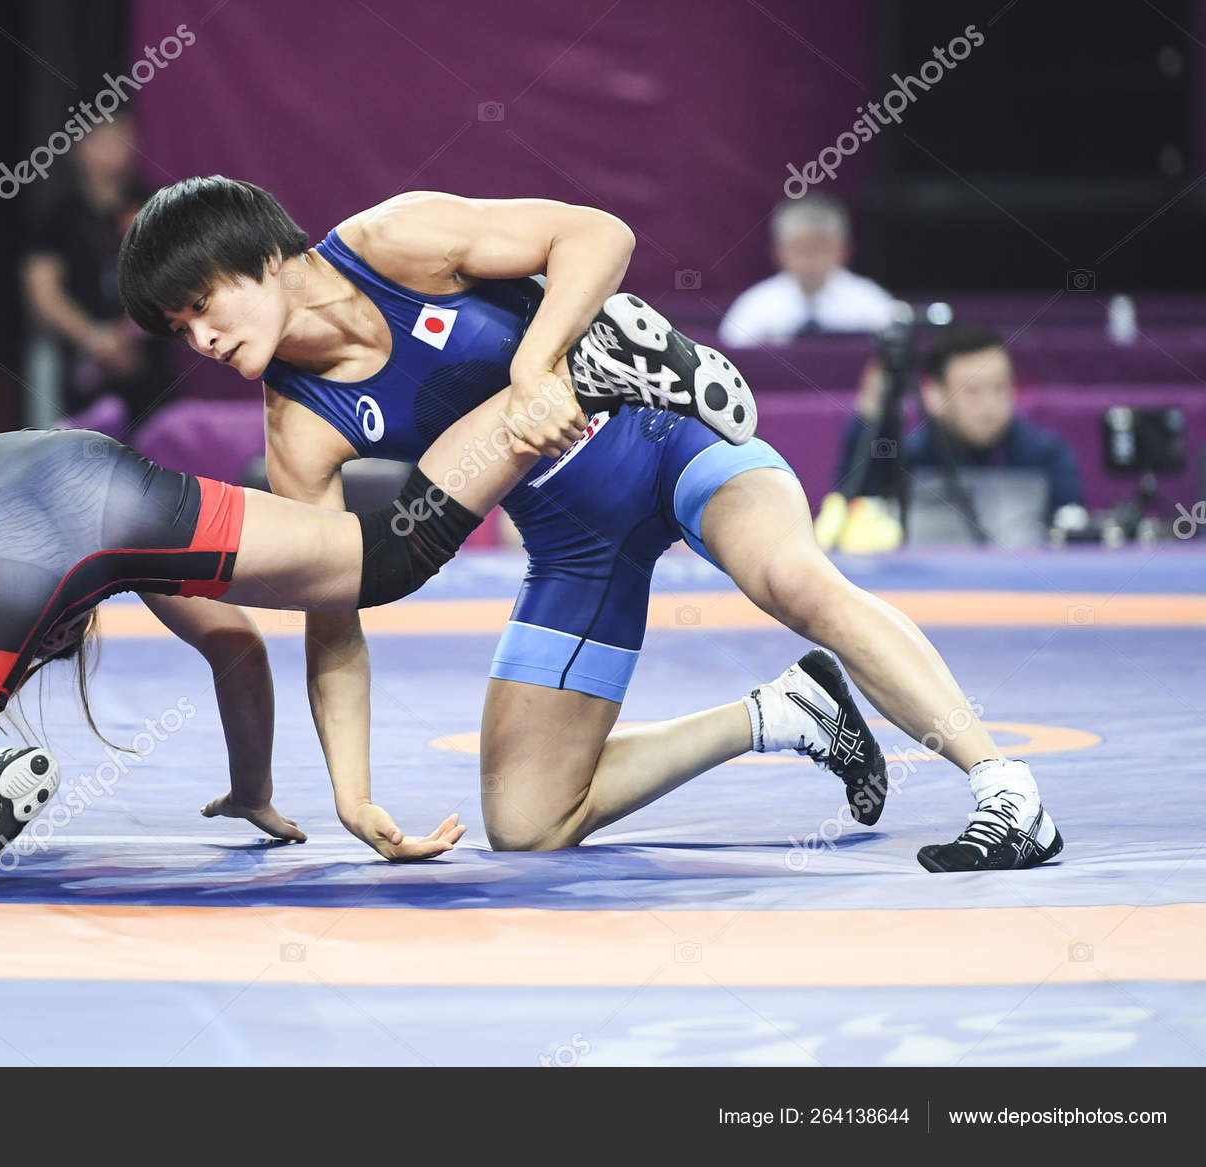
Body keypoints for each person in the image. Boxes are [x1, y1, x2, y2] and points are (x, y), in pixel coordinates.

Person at [119, 176, 1064, 874]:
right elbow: (335, 615)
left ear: (267, 258)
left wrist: (534, 365)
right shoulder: (301, 428)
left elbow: (595, 232)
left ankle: (1004, 790)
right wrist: (352, 795)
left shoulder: (394, 240)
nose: (199, 339)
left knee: (795, 581)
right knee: (528, 822)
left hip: (666, 436)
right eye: (178, 328)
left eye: (203, 304)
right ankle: (783, 713)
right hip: (573, 542)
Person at [0, 336, 691, 890]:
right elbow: (234, 648)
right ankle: (532, 402)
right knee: (375, 558)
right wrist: (254, 792)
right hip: (113, 483)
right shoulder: (102, 544)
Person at [21, 115, 175, 436]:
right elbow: (43, 292)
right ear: (78, 149)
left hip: (148, 362)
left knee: (159, 456)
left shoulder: (157, 206)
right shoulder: (58, 216)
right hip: (85, 367)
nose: (114, 149)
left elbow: (179, 275)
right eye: (102, 139)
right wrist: (95, 340)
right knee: (87, 454)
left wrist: (131, 333)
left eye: (122, 137)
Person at [836, 324, 1084, 518]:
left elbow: (1070, 536)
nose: (990, 404)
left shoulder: (1047, 456)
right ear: (934, 394)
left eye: (1000, 388)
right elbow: (853, 507)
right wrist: (871, 416)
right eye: (973, 391)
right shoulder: (905, 458)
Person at [718, 194, 896, 348]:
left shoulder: (872, 303)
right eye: (801, 250)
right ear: (780, 251)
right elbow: (730, 362)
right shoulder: (755, 306)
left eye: (821, 249)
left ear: (843, 250)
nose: (811, 261)